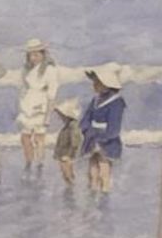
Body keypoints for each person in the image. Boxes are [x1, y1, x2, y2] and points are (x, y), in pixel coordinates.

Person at [78, 64, 127, 193]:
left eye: (97, 82)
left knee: (104, 168)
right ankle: (93, 190)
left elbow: (114, 126)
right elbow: (86, 118)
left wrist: (103, 137)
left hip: (106, 139)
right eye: (94, 81)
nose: (94, 84)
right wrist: (85, 129)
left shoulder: (117, 102)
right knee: (92, 169)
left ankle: (105, 192)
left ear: (107, 83)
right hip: (92, 136)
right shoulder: (95, 100)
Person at [15, 38, 61, 172]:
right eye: (31, 54)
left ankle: (39, 163)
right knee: (25, 138)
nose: (33, 57)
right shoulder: (27, 69)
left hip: (41, 105)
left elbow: (52, 93)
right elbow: (23, 88)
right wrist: (22, 102)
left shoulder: (50, 69)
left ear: (43, 54)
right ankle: (29, 161)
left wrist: (48, 115)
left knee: (39, 138)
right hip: (27, 105)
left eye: (36, 54)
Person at [52, 98, 82, 184]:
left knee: (66, 169)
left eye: (62, 116)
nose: (61, 117)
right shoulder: (69, 125)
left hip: (67, 152)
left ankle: (70, 184)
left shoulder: (73, 126)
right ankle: (70, 183)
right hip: (64, 151)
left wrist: (70, 153)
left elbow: (75, 141)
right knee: (65, 169)